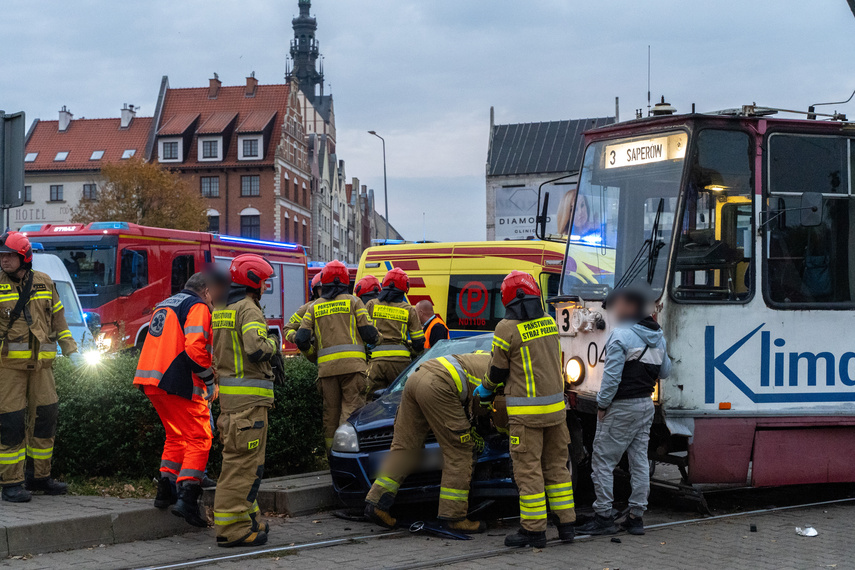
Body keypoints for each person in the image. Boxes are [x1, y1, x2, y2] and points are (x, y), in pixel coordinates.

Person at [476, 271, 575, 548]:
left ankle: (534, 532)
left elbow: (497, 370)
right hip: (557, 413)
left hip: (526, 417)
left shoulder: (506, 328)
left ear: (508, 299)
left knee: (529, 471)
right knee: (557, 469)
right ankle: (567, 525)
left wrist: (484, 390)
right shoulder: (549, 322)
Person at [133, 269, 228, 527]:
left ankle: (166, 490)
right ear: (207, 290)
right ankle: (187, 499)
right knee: (200, 438)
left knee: (176, 436)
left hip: (152, 381)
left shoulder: (166, 304)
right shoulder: (197, 306)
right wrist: (209, 380)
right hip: (179, 382)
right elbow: (195, 348)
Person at [577, 284, 671, 537]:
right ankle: (636, 517)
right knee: (639, 461)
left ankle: (604, 516)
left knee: (603, 462)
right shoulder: (659, 337)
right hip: (645, 406)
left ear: (630, 307)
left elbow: (611, 380)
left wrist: (602, 405)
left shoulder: (621, 336)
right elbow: (665, 372)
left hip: (621, 406)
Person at [365, 352, 492, 533]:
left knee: (405, 448)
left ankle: (377, 503)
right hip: (438, 384)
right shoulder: (505, 373)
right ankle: (454, 517)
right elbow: (494, 410)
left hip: (416, 379)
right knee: (459, 451)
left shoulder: (483, 358)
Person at [0, 232, 79, 502]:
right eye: (2, 256)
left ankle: (39, 477)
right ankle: (11, 483)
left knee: (45, 418)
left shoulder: (44, 282)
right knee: (10, 423)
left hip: (42, 367)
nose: (4, 260)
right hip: (8, 367)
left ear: (24, 256)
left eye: (9, 255)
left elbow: (59, 320)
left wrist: (71, 350)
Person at [211, 254, 280, 547]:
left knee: (244, 463)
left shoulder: (223, 308)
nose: (265, 287)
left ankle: (248, 518)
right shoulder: (249, 309)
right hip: (248, 403)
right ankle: (232, 529)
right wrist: (274, 345)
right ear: (253, 281)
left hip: (231, 403)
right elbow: (255, 348)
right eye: (264, 282)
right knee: (241, 467)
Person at [294, 260, 378, 450]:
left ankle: (331, 456)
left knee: (330, 415)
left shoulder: (314, 307)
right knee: (351, 410)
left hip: (326, 371)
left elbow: (301, 338)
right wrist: (377, 338)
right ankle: (346, 452)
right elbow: (369, 334)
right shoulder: (354, 301)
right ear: (345, 281)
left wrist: (311, 355)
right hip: (353, 368)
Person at [365, 268, 425, 395]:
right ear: (405, 288)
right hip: (401, 364)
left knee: (369, 401)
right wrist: (412, 352)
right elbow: (419, 342)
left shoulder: (371, 305)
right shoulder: (409, 309)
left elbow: (362, 332)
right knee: (399, 400)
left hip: (376, 362)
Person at [283, 272, 322, 362]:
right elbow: (288, 328)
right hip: (317, 356)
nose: (325, 292)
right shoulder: (307, 308)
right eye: (321, 289)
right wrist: (298, 338)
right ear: (315, 290)